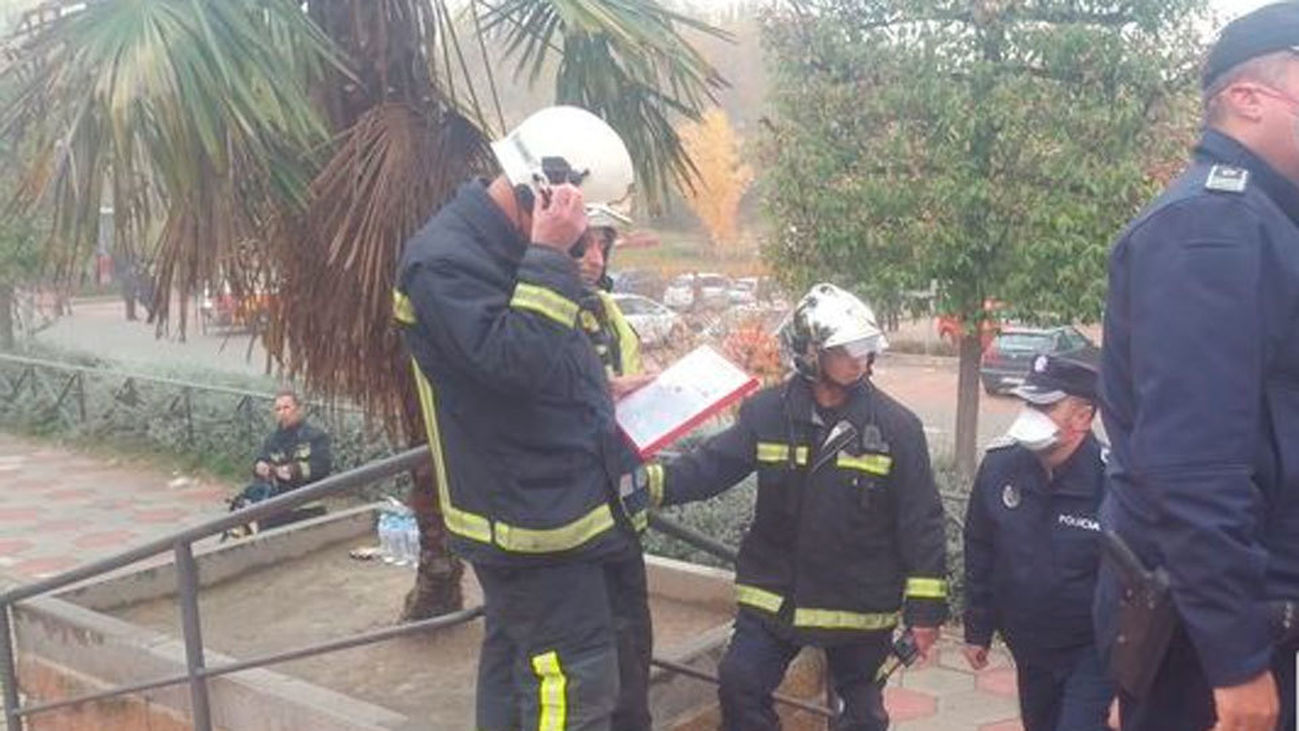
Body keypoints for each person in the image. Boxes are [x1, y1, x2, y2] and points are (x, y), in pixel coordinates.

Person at [393, 105, 651, 730]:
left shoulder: (511, 247)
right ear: (547, 193)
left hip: (561, 510)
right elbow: (513, 365)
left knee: (518, 673)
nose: (590, 245)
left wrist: (600, 389)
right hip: (531, 526)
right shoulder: (445, 263)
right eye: (585, 226)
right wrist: (548, 252)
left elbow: (538, 358)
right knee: (570, 687)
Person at [1096, 5, 1299, 729]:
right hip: (1220, 638)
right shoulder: (1211, 229)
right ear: (1247, 98)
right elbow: (1192, 466)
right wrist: (1235, 661)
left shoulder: (1263, 223)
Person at [644, 283, 948, 731]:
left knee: (861, 717)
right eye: (845, 350)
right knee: (739, 685)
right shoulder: (767, 414)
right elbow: (710, 468)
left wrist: (925, 613)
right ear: (810, 353)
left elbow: (922, 522)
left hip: (858, 608)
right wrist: (641, 486)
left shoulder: (896, 428)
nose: (859, 360)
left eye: (864, 348)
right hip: (776, 599)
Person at [963, 353, 1112, 730]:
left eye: (1045, 406)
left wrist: (1133, 679)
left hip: (1093, 652)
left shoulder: (1111, 483)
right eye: (1030, 403)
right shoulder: (1001, 467)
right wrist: (977, 629)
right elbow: (980, 548)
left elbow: (1132, 583)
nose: (1031, 414)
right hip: (1029, 647)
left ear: (1083, 417)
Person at [228, 389, 332, 534]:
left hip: (306, 503)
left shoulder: (315, 437)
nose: (282, 413)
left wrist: (293, 471)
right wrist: (260, 467)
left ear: (299, 409)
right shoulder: (272, 440)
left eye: (287, 407)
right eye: (278, 409)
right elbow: (261, 460)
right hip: (276, 501)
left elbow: (323, 467)